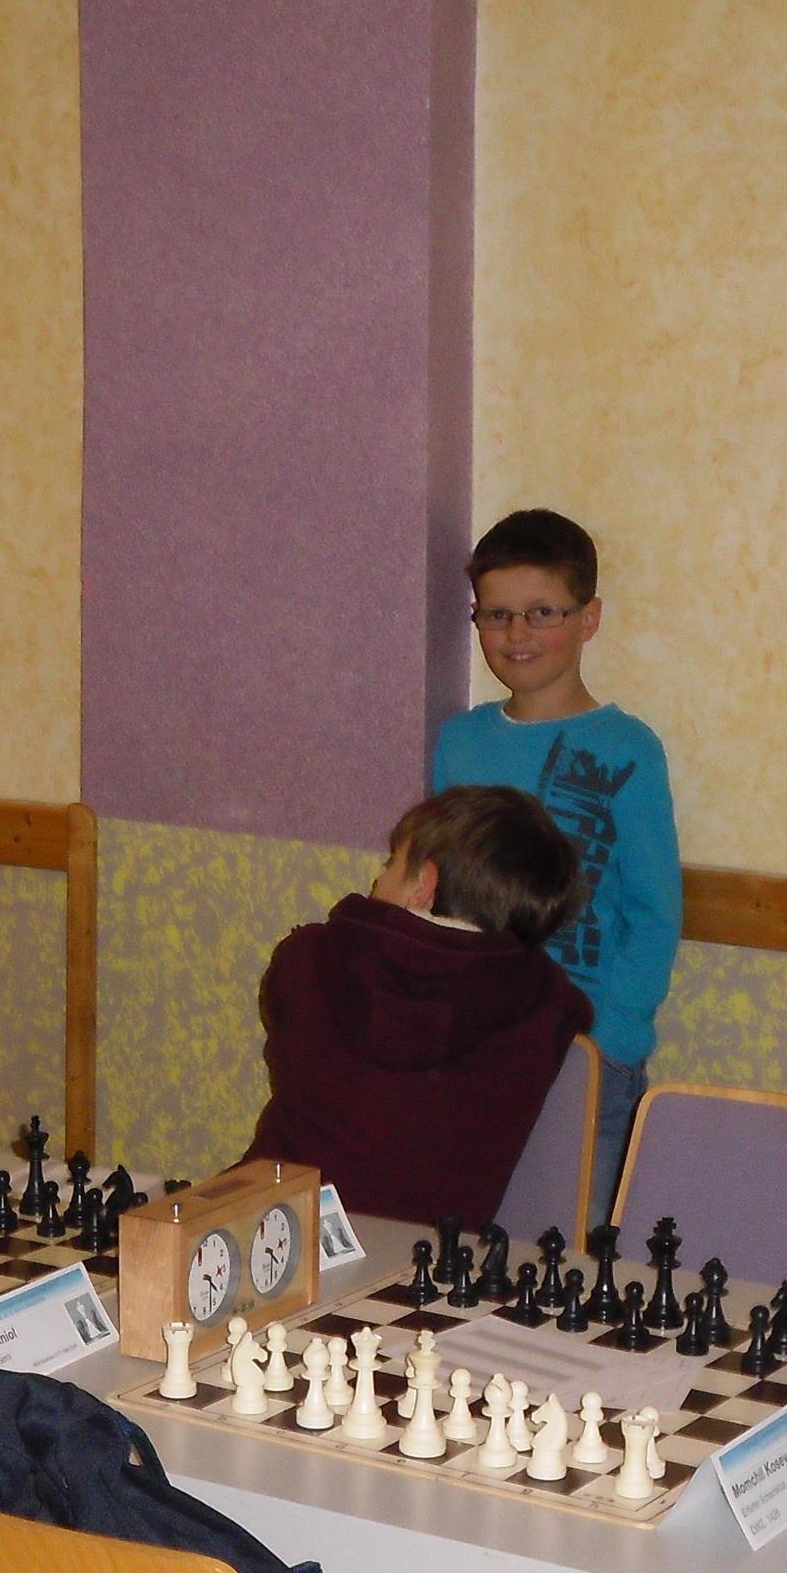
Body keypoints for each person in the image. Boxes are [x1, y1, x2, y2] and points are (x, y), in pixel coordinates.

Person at [430, 508, 681, 1228]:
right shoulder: (460, 742)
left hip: (586, 1052)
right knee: (466, 1234)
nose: (517, 635)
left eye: (542, 612)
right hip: (473, 1042)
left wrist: (612, 1039)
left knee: (569, 1244)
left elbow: (654, 913)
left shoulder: (628, 749)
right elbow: (440, 894)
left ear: (588, 618)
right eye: (496, 615)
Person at [240, 786, 590, 1228]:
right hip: (434, 1256)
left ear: (422, 885)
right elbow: (575, 1010)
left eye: (390, 864)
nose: (377, 880)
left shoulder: (306, 959)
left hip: (270, 1230)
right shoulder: (543, 1003)